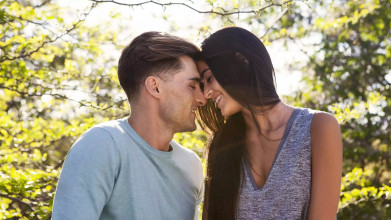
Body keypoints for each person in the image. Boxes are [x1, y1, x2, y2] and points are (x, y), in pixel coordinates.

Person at [52, 31, 206, 220]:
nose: (202, 99)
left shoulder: (191, 165)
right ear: (155, 87)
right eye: (192, 86)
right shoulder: (102, 144)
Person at [196, 27, 342, 220]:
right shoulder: (221, 148)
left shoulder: (319, 127)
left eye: (209, 78)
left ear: (241, 62)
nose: (206, 93)